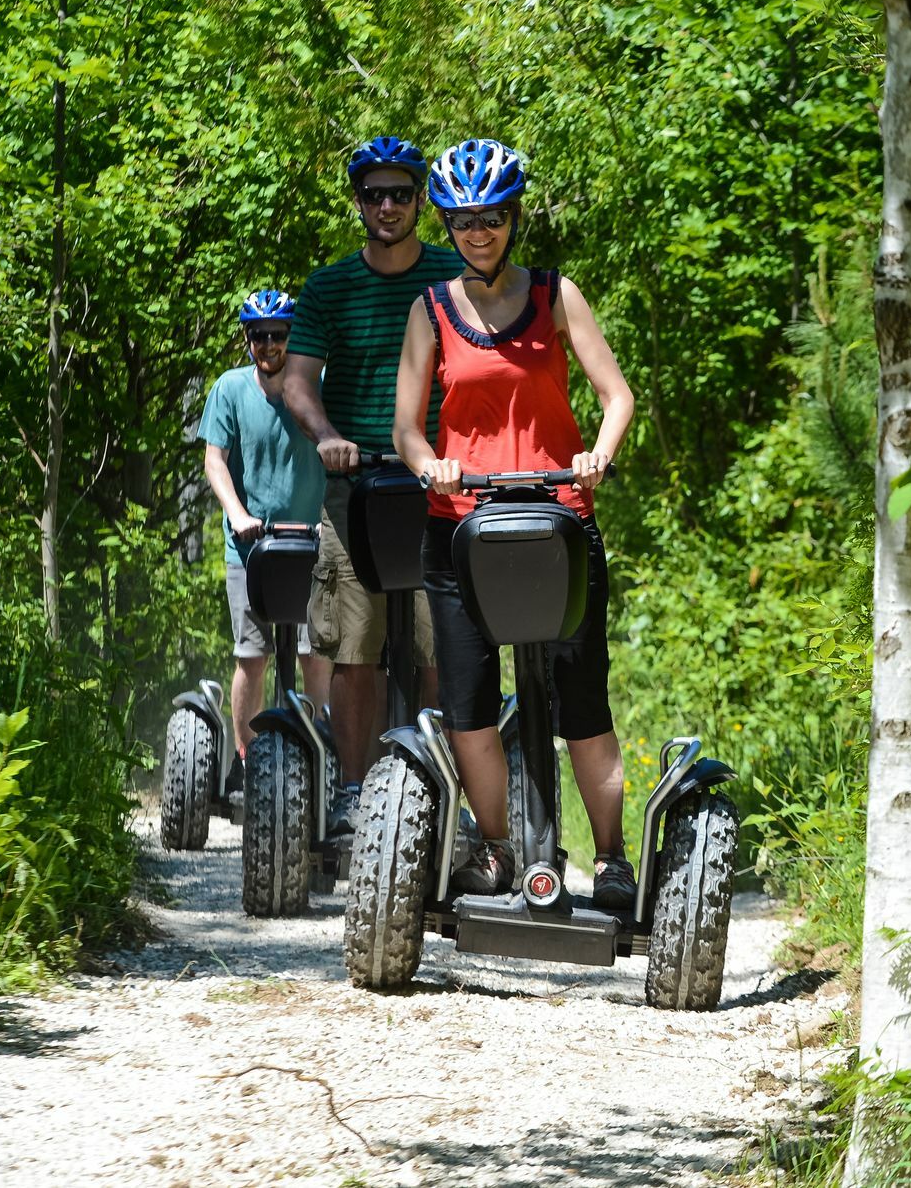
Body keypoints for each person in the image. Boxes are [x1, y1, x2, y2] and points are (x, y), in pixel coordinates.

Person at [393, 139, 639, 910]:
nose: (478, 232)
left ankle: (610, 860)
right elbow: (406, 426)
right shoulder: (429, 309)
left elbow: (617, 395)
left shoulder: (557, 296)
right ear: (447, 223)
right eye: (464, 220)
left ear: (513, 218)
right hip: (461, 527)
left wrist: (597, 454)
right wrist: (429, 463)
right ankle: (498, 850)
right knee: (468, 700)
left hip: (557, 521)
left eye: (491, 218)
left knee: (583, 698)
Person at [284, 137, 454, 834]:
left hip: (444, 486)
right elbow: (297, 379)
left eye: (400, 194)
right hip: (357, 490)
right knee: (357, 649)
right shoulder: (328, 286)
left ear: (421, 201)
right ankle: (356, 794)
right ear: (358, 201)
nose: (387, 205)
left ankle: (438, 787)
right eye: (374, 194)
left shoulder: (451, 274)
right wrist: (327, 435)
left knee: (442, 643)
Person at [198, 290, 331, 803]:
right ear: (248, 339)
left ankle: (323, 753)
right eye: (260, 336)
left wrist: (328, 521)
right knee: (251, 656)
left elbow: (339, 448)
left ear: (291, 337)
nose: (269, 344)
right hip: (252, 548)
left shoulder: (317, 385)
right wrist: (238, 515)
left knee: (313, 654)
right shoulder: (230, 389)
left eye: (278, 335)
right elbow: (215, 460)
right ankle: (245, 759)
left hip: (313, 545)